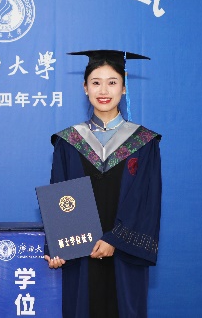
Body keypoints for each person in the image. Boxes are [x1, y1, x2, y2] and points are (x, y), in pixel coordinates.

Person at [44, 50, 162, 318]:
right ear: (85, 88)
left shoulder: (143, 142)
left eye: (112, 82)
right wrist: (57, 245)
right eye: (96, 82)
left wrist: (114, 240)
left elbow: (146, 200)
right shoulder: (68, 141)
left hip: (124, 255)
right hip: (80, 252)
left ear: (123, 87)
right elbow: (60, 194)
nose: (104, 90)